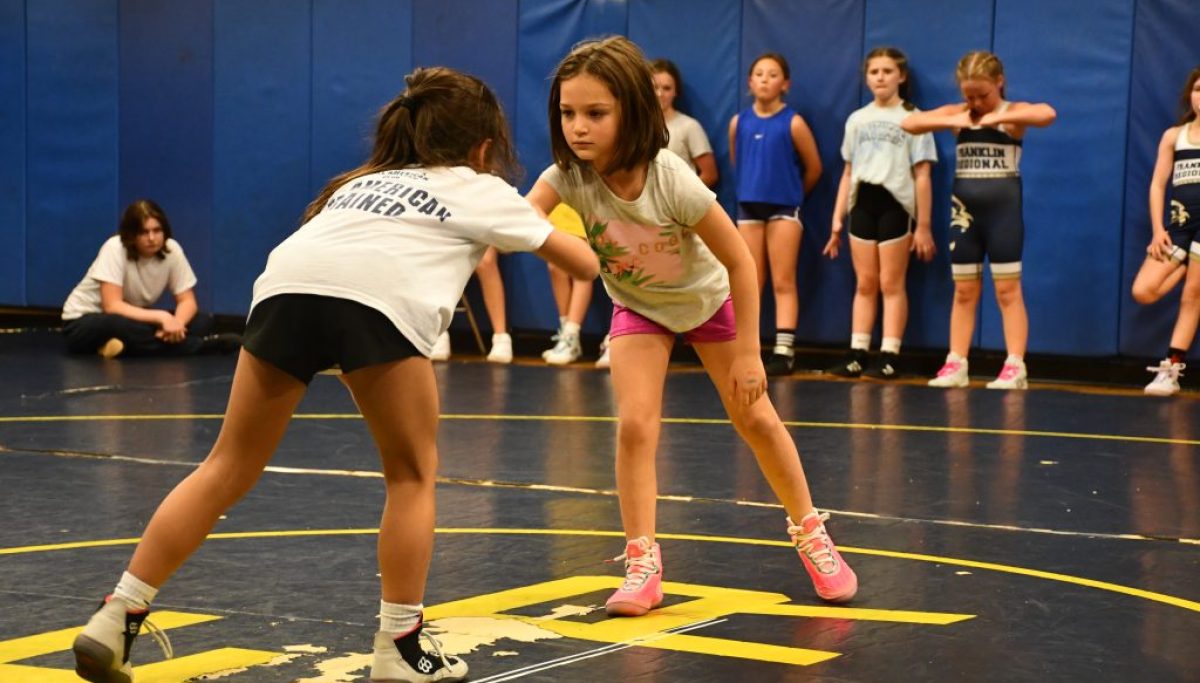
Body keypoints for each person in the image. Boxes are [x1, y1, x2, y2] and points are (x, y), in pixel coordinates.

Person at [71, 67, 598, 683]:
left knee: (225, 466)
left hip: (286, 289)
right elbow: (583, 263)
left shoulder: (359, 183)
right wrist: (580, 201)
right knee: (412, 475)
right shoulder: (479, 187)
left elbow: (336, 278)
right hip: (372, 304)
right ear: (483, 148)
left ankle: (117, 612)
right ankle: (399, 647)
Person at [527, 36, 857, 618]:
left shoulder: (670, 176)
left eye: (595, 113)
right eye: (568, 113)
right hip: (638, 306)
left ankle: (811, 533)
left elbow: (740, 261)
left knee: (755, 417)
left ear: (630, 109)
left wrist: (752, 353)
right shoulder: (570, 175)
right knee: (634, 426)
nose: (578, 127)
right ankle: (642, 563)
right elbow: (522, 217)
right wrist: (545, 241)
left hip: (709, 302)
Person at [901, 50, 1056, 389]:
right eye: (968, 95)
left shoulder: (1011, 114)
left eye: (982, 95)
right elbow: (909, 122)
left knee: (1007, 290)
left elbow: (1047, 113)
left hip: (1003, 214)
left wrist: (990, 119)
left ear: (999, 82)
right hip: (965, 215)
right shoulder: (959, 114)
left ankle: (1015, 365)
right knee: (964, 291)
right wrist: (953, 120)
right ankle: (956, 362)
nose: (975, 102)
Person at [823, 47, 937, 379]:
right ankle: (857, 352)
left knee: (891, 282)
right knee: (865, 282)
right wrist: (836, 218)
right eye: (874, 72)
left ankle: (890, 353)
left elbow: (923, 175)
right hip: (862, 205)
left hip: (895, 206)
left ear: (901, 76)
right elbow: (847, 171)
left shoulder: (915, 119)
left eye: (888, 71)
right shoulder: (857, 119)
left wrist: (924, 225)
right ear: (866, 77)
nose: (881, 77)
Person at [729, 52, 822, 376]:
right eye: (759, 74)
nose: (765, 80)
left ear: (785, 84)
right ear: (750, 82)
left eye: (772, 75)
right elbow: (737, 160)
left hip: (784, 207)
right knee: (750, 280)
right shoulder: (739, 122)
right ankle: (747, 346)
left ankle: (784, 349)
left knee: (784, 279)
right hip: (749, 205)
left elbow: (813, 168)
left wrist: (792, 195)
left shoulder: (793, 122)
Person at [61, 199, 240, 359]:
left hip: (130, 318)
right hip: (83, 322)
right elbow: (112, 306)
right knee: (119, 325)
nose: (152, 238)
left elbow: (188, 301)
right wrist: (161, 317)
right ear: (132, 235)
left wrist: (176, 324)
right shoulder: (115, 248)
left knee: (202, 321)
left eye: (157, 230)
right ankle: (198, 347)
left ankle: (119, 346)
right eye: (144, 232)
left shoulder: (172, 249)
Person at [1131, 66, 1200, 396]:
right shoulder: (1175, 136)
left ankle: (1171, 369)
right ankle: (1185, 263)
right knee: (1143, 290)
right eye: (1199, 89)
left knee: (1192, 294)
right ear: (1190, 95)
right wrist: (1158, 229)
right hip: (1178, 227)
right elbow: (1158, 185)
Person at [429, 248, 514, 363]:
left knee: (485, 261)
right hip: (450, 235)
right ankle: (439, 333)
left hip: (481, 233)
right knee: (437, 259)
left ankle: (501, 338)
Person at [540, 203, 594, 365]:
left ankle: (571, 334)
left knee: (581, 263)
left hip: (584, 195)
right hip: (560, 200)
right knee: (555, 266)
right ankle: (567, 334)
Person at [651, 58, 719, 188]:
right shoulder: (636, 127)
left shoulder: (689, 126)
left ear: (676, 92)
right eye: (654, 87)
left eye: (667, 88)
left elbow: (710, 174)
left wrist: (683, 199)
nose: (660, 94)